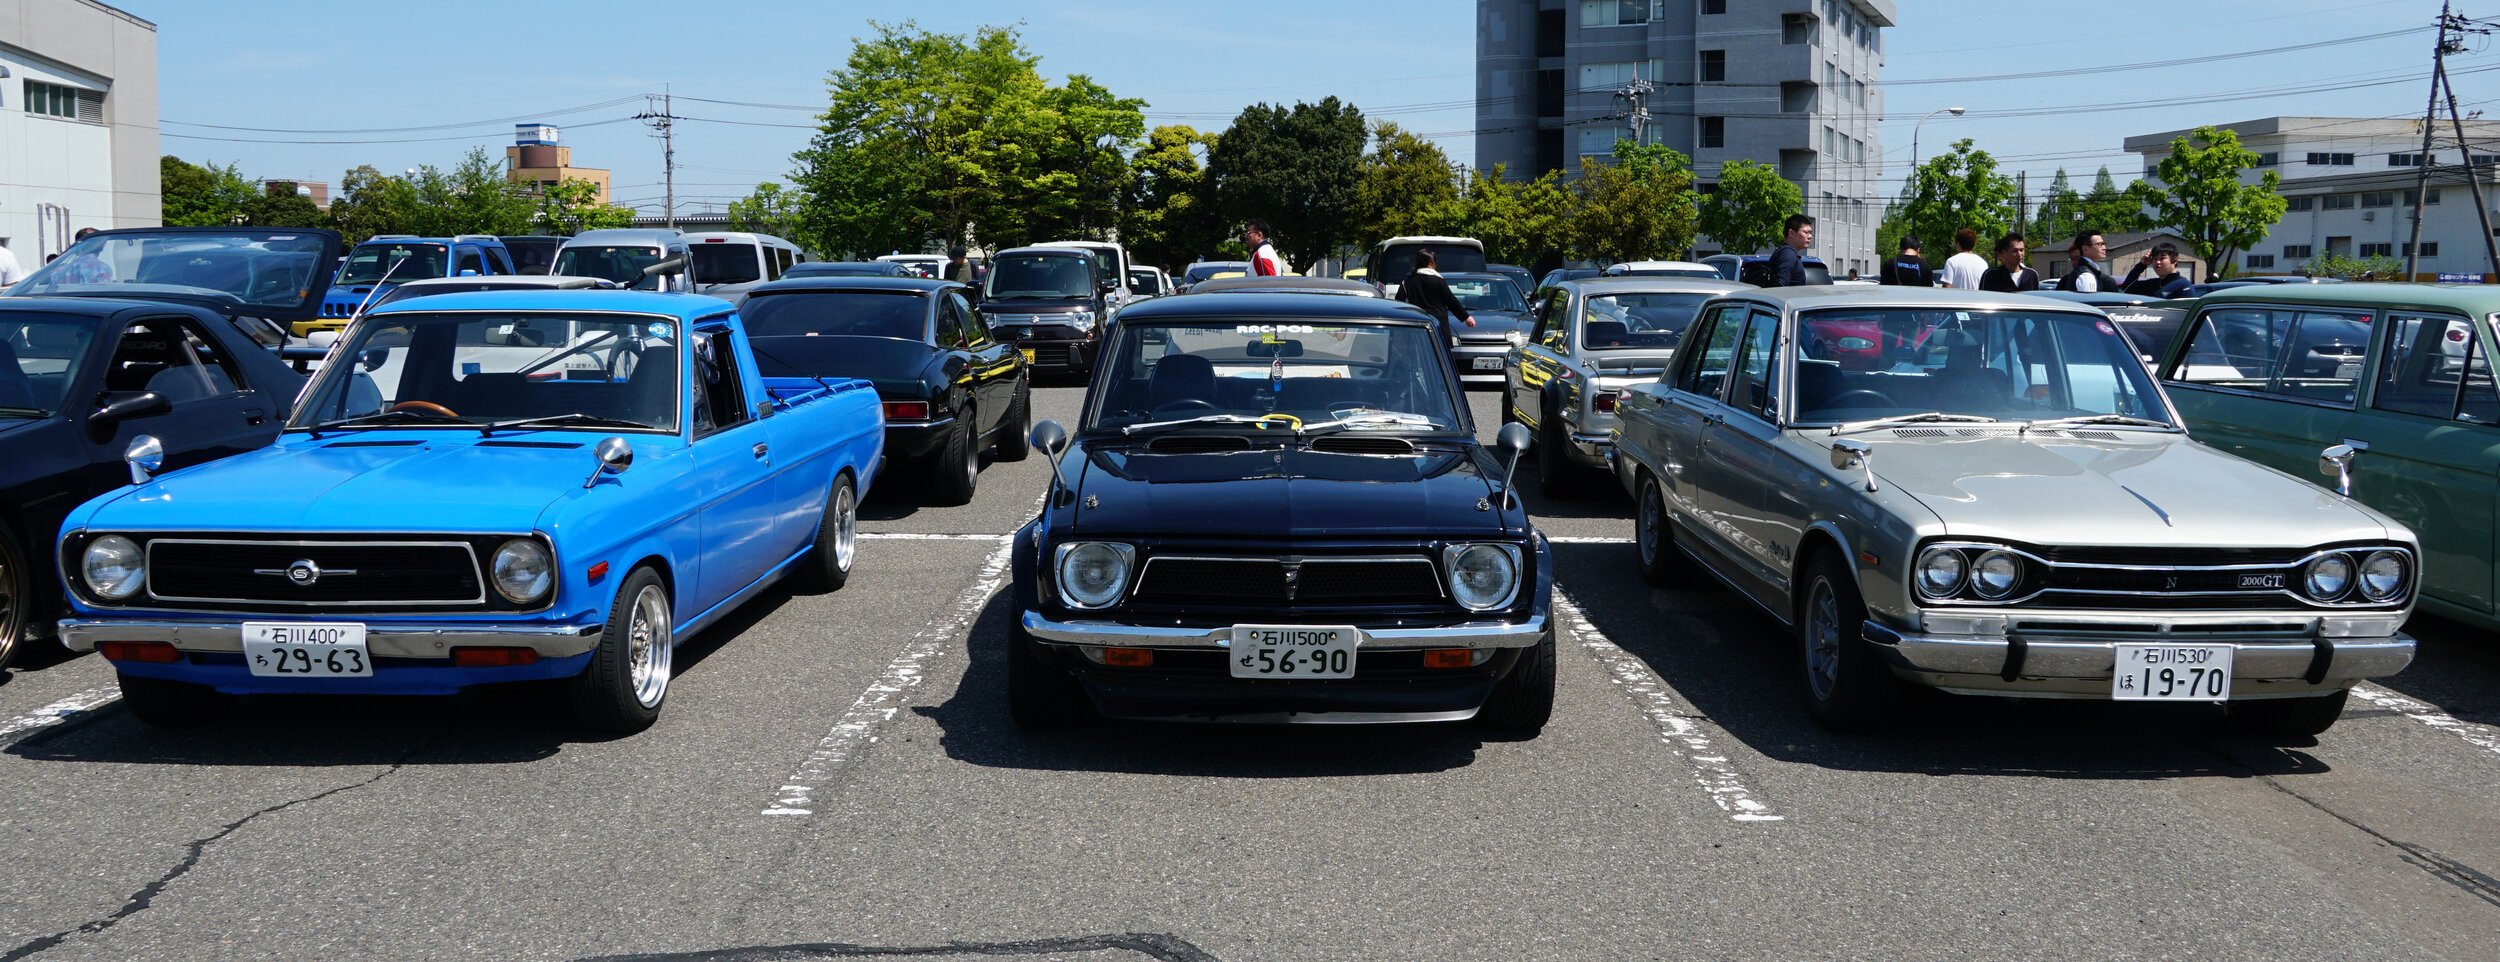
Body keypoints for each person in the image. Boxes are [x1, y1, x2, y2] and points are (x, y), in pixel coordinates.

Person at [1393, 248, 1475, 346]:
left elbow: (1398, 303)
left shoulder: (1407, 282)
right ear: (1432, 263)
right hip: (1437, 326)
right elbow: (1451, 301)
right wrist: (1466, 317)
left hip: (1415, 326)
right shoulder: (1438, 281)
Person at [2121, 242, 2192, 298]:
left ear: (2174, 260)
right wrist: (2141, 265)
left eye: (2162, 258)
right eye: (2155, 258)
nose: (2157, 262)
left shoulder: (2183, 285)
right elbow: (2126, 289)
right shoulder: (2152, 284)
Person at [1766, 214, 1814, 287]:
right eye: (1806, 232)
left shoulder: (1787, 252)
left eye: (1810, 233)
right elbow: (1780, 286)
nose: (1810, 236)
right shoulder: (1788, 254)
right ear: (1791, 233)